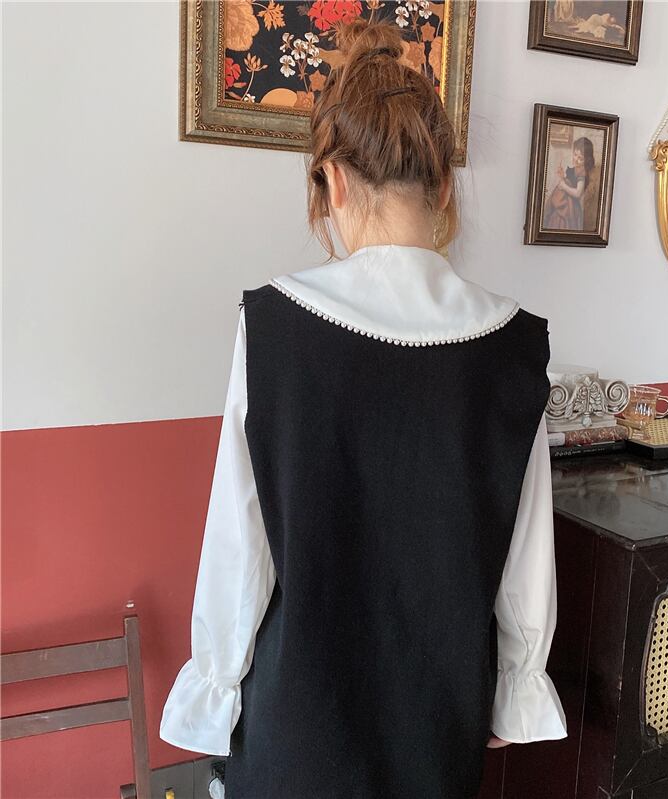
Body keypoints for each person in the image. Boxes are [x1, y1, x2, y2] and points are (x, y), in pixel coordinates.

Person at [159, 18, 567, 799]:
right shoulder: (515, 345)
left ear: (333, 183)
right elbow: (526, 551)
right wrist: (517, 681)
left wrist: (217, 682)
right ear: (443, 187)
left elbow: (240, 541)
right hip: (438, 726)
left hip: (299, 729)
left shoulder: (273, 326)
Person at [543, 135, 599, 232]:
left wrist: (564, 186)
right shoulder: (574, 170)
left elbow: (578, 193)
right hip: (562, 204)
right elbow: (570, 183)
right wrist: (563, 177)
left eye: (580, 158)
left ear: (587, 160)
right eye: (575, 154)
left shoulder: (582, 173)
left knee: (563, 225)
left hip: (569, 209)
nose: (576, 159)